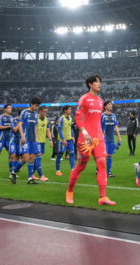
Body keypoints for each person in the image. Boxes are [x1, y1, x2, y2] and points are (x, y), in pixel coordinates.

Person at [66, 75, 115, 206]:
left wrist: (99, 134)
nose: (99, 84)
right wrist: (84, 133)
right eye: (97, 82)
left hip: (98, 139)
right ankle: (70, 191)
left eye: (100, 82)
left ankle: (102, 197)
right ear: (90, 84)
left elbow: (96, 121)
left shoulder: (100, 101)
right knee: (81, 166)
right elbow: (78, 119)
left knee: (102, 164)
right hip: (85, 139)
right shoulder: (83, 99)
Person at [17, 98, 41, 184]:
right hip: (25, 138)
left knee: (31, 158)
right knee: (25, 159)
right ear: (31, 104)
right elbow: (19, 125)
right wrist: (22, 136)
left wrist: (36, 137)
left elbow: (35, 126)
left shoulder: (36, 114)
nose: (37, 107)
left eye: (38, 106)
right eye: (36, 105)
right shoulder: (24, 112)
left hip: (33, 139)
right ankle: (14, 171)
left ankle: (30, 178)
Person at [101, 101, 121, 177]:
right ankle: (99, 169)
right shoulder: (102, 115)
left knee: (109, 156)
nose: (111, 105)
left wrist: (119, 136)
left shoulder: (113, 116)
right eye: (109, 104)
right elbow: (99, 126)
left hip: (111, 139)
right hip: (103, 139)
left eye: (111, 104)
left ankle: (108, 172)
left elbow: (116, 126)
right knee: (103, 156)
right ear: (105, 106)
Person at [0, 104, 15, 175]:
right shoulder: (1, 117)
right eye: (9, 108)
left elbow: (13, 127)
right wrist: (8, 126)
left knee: (11, 154)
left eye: (11, 108)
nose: (10, 109)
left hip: (9, 138)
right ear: (5, 109)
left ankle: (11, 171)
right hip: (1, 138)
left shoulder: (12, 118)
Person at [33, 105, 52, 181]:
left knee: (36, 158)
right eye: (44, 112)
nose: (45, 113)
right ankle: (41, 176)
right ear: (40, 111)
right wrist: (36, 139)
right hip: (36, 141)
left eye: (46, 112)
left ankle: (31, 174)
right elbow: (34, 130)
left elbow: (48, 130)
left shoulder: (46, 119)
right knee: (39, 157)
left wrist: (50, 140)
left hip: (43, 141)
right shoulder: (35, 118)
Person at [56, 106, 75, 176]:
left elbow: (70, 128)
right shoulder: (61, 118)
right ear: (65, 110)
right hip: (62, 140)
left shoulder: (70, 118)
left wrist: (72, 136)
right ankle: (58, 170)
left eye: (70, 109)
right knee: (60, 155)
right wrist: (63, 139)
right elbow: (59, 129)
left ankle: (73, 170)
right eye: (69, 109)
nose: (70, 110)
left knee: (72, 154)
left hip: (69, 139)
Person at [8, 112, 24, 183]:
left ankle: (14, 171)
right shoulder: (13, 120)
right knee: (12, 155)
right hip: (13, 140)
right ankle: (10, 171)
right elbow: (14, 129)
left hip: (19, 140)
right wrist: (20, 124)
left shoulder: (24, 120)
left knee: (18, 156)